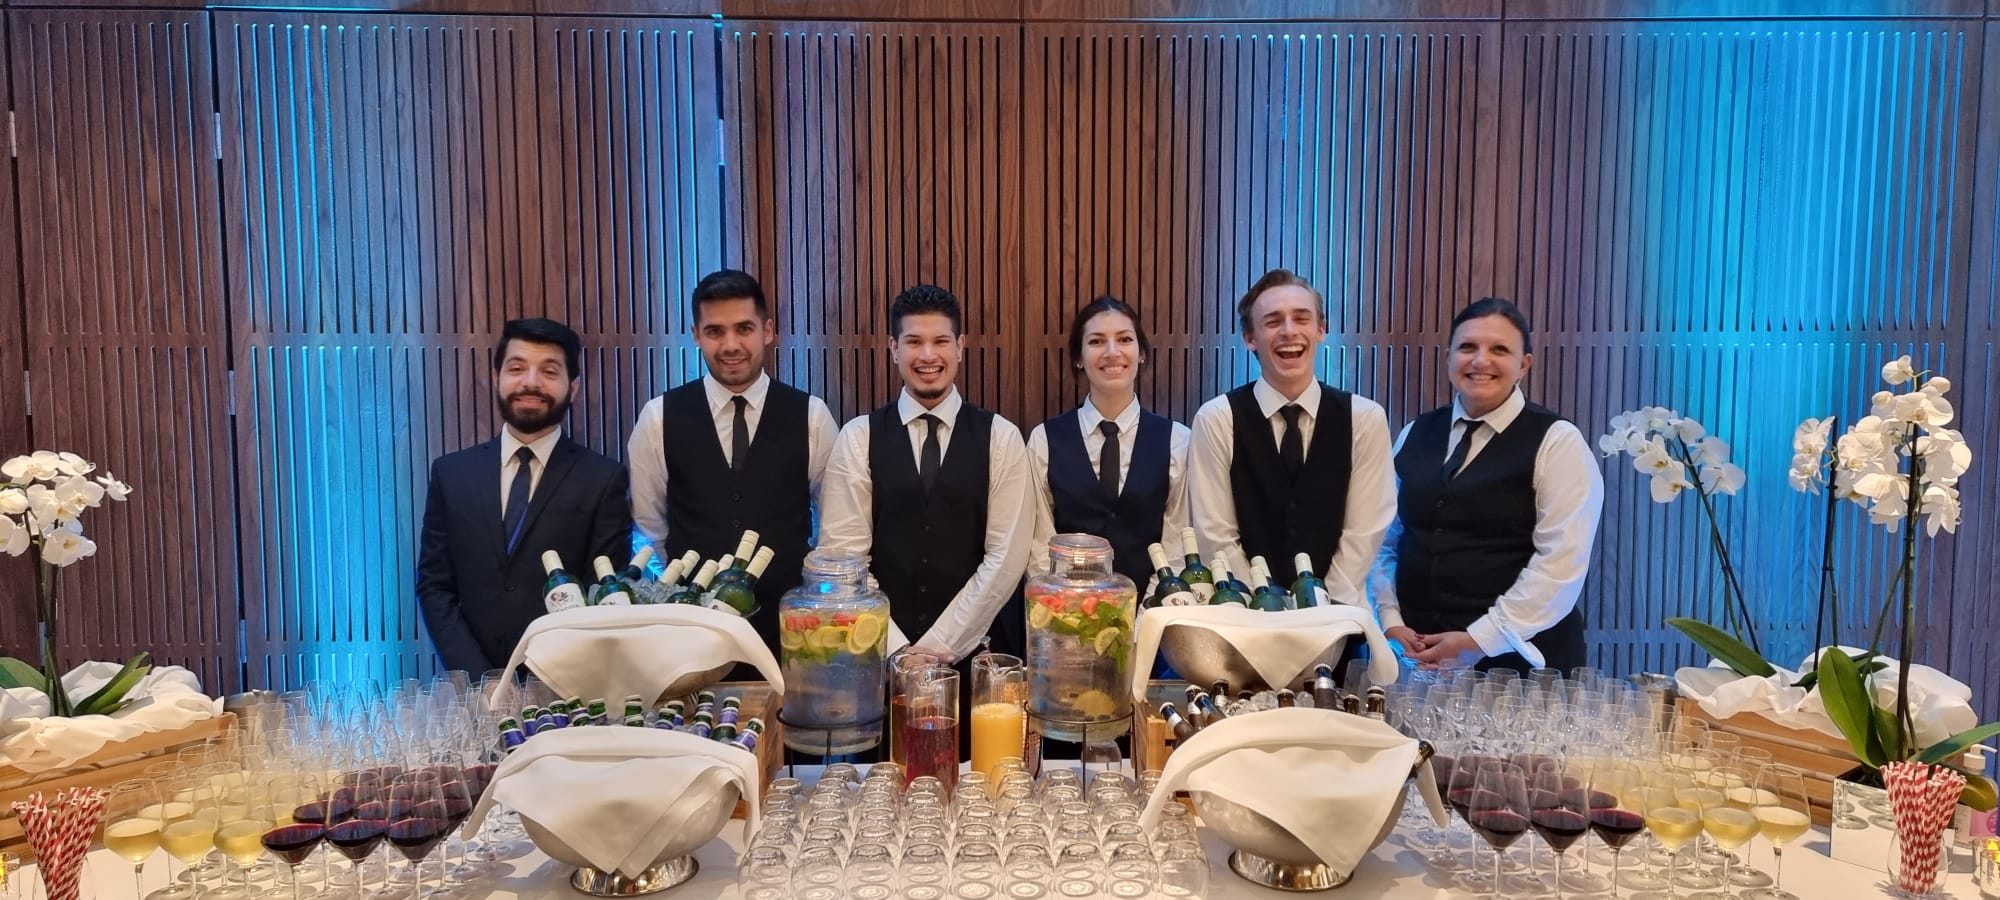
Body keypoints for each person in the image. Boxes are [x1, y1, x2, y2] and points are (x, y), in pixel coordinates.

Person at [1367, 297, 1604, 672]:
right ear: (1448, 358)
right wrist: (1390, 617)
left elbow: (1560, 564)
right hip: (1417, 660)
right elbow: (1384, 540)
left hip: (1518, 667)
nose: (1480, 361)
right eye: (1467, 348)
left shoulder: (1558, 442)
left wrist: (1482, 638)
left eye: (1499, 349)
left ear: (1523, 364)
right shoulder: (1415, 432)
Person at [627, 270, 839, 656]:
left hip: (790, 633)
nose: (730, 344)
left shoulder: (812, 416)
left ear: (768, 330)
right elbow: (649, 532)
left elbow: (832, 532)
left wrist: (812, 602)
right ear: (695, 334)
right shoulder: (658, 418)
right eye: (715, 331)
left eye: (744, 328)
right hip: (690, 636)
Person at [819, 284, 1033, 662]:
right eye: (914, 342)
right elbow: (844, 559)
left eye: (941, 341)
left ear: (960, 346)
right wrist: (898, 652)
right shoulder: (858, 436)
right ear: (893, 348)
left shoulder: (1002, 437)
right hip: (877, 658)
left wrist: (937, 650)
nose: (928, 355)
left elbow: (1005, 560)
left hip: (980, 660)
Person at [416, 318, 632, 673]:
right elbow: (434, 586)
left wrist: (547, 677)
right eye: (517, 368)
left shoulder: (603, 479)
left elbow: (603, 592)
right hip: (472, 691)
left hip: (565, 687)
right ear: (496, 376)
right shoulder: (451, 474)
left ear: (572, 388)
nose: (531, 382)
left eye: (549, 371)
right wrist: (479, 679)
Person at [1187, 268, 1396, 601]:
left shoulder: (1365, 418)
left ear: (1321, 329)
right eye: (1272, 321)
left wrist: (1324, 608)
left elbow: (1365, 532)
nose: (1289, 331)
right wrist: (1264, 603)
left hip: (1338, 616)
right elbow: (1215, 535)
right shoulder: (1216, 419)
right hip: (1246, 613)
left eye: (1302, 318)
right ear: (1250, 338)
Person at [1026, 294, 1191, 593]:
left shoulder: (1178, 440)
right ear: (1078, 357)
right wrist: (1072, 612)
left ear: (1141, 353)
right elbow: (1038, 547)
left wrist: (1145, 619)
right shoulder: (1043, 440)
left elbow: (1177, 546)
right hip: (1066, 617)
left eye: (1125, 339)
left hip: (1153, 616)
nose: (1112, 352)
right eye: (1097, 341)